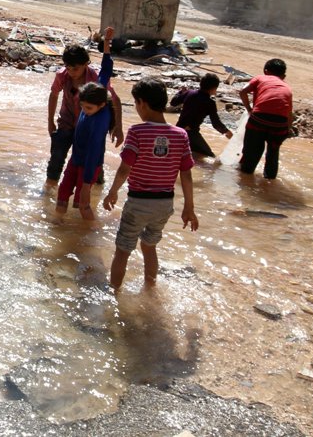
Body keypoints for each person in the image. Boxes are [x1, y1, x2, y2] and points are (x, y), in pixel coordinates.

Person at [103, 78, 198, 292]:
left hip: (138, 202)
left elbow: (125, 169)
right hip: (165, 204)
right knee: (149, 247)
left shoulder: (137, 131)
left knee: (123, 251)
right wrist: (189, 207)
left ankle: (114, 294)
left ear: (142, 103)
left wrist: (112, 192)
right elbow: (186, 175)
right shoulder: (180, 135)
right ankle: (150, 289)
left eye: (136, 104)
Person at [56, 27, 116, 220]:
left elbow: (92, 154)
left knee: (83, 205)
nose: (84, 111)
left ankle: (91, 236)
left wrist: (87, 185)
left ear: (101, 105)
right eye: (82, 107)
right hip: (76, 159)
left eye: (88, 109)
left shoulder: (99, 122)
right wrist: (107, 44)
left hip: (88, 166)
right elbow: (106, 69)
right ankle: (55, 225)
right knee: (62, 195)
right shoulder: (96, 92)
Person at [46, 42, 123, 189]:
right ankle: (49, 188)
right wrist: (50, 121)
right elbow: (54, 94)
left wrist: (118, 127)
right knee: (56, 157)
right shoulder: (62, 75)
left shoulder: (95, 77)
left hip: (90, 125)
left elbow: (115, 100)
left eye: (76, 68)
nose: (72, 72)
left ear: (86, 64)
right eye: (68, 68)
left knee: (93, 160)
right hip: (67, 121)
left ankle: (97, 189)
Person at [238, 58, 293, 180]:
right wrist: (287, 130)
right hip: (279, 124)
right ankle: (270, 180)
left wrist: (249, 109)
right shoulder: (287, 88)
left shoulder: (260, 78)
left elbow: (242, 91)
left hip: (259, 118)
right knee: (273, 153)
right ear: (283, 76)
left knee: (252, 151)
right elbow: (289, 114)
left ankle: (246, 178)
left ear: (265, 71)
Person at [172, 73, 232, 158]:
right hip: (191, 134)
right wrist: (227, 132)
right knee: (210, 157)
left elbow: (173, 102)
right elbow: (215, 123)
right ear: (213, 88)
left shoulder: (189, 93)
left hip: (178, 131)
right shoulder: (210, 102)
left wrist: (180, 92)